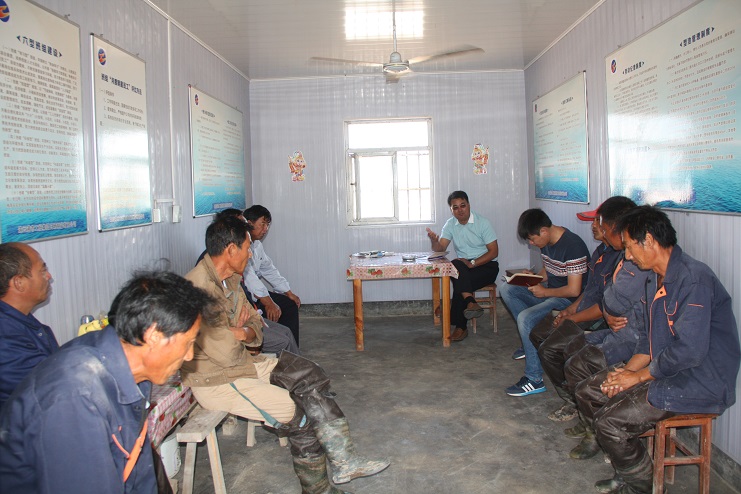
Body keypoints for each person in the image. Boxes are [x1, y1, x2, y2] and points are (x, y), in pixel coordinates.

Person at [184, 216, 389, 493]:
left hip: (244, 364)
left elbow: (256, 324)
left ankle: (345, 462)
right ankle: (318, 490)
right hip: (220, 381)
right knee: (300, 413)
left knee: (310, 374)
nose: (250, 253)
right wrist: (245, 333)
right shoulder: (198, 289)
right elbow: (225, 353)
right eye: (247, 247)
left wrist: (243, 331)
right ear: (231, 249)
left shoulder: (229, 278)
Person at [575, 206, 740, 494]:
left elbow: (690, 351)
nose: (627, 256)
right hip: (669, 369)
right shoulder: (654, 277)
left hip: (701, 379)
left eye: (629, 247)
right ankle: (630, 469)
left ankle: (642, 486)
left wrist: (637, 377)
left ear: (649, 240)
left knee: (609, 421)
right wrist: (627, 372)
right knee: (592, 390)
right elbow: (649, 339)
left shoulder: (694, 279)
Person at [0, 271, 215, 493]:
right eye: (188, 343)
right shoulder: (74, 397)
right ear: (153, 336)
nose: (189, 355)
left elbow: (139, 471)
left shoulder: (134, 373)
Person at [528, 198, 626, 421]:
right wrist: (570, 310)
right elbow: (589, 290)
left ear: (613, 226)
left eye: (597, 221)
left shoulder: (622, 258)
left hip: (599, 318)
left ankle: (576, 400)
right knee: (538, 334)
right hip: (584, 309)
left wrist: (573, 318)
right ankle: (571, 395)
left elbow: (604, 306)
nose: (593, 226)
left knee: (552, 349)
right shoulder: (601, 252)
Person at [499, 208, 590, 396]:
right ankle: (530, 342)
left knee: (526, 318)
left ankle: (534, 379)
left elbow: (574, 290)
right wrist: (533, 278)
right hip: (551, 294)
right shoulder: (546, 242)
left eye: (532, 239)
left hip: (568, 301)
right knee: (507, 289)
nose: (531, 244)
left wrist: (545, 292)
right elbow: (548, 271)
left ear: (544, 231)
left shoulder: (573, 246)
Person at [197, 208, 299, 356]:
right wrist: (246, 332)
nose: (250, 254)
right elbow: (218, 334)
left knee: (286, 330)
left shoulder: (231, 271)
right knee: (282, 341)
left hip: (247, 320)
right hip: (234, 336)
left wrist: (253, 323)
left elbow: (245, 300)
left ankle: (297, 365)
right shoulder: (205, 281)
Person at [426, 191, 499, 342]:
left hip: (486, 266)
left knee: (460, 281)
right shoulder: (450, 224)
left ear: (469, 205)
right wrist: (434, 241)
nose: (460, 210)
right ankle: (470, 303)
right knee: (456, 265)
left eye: (463, 205)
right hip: (464, 268)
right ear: (451, 210)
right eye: (455, 207)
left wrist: (473, 263)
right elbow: (441, 249)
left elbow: (494, 252)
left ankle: (457, 321)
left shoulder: (482, 222)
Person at [0, 243, 58, 408]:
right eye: (42, 271)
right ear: (19, 282)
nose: (49, 276)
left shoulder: (20, 320)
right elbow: (49, 389)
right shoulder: (6, 339)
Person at [244, 205, 301, 345]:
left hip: (258, 294)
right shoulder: (242, 247)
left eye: (268, 225)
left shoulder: (257, 245)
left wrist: (288, 292)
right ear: (249, 224)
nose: (265, 229)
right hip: (248, 297)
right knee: (274, 309)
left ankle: (292, 349)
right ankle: (278, 345)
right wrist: (269, 303)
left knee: (290, 304)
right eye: (262, 224)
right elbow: (250, 280)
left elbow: (269, 269)